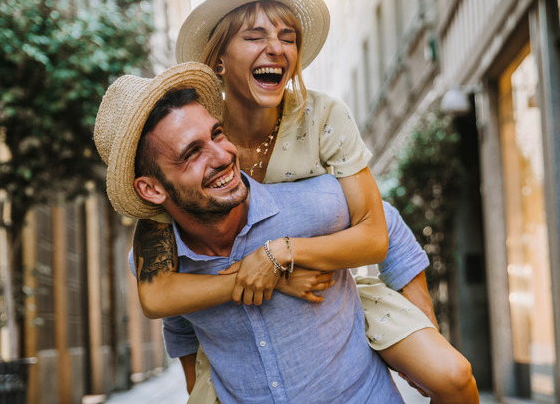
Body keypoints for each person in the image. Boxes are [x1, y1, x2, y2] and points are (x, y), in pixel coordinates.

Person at [133, 0, 478, 404]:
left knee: (451, 376)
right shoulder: (195, 137)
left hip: (332, 288)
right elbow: (164, 293)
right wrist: (273, 278)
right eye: (255, 36)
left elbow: (379, 226)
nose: (276, 48)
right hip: (233, 328)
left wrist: (282, 255)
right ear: (219, 58)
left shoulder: (323, 118)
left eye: (288, 36)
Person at [94, 61, 441, 402]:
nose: (223, 156)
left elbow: (385, 222)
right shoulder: (158, 265)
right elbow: (181, 324)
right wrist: (269, 278)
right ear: (152, 190)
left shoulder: (309, 202)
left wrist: (428, 340)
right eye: (192, 153)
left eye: (217, 134)